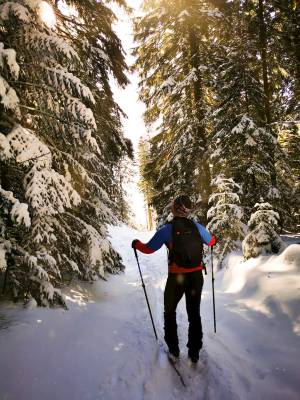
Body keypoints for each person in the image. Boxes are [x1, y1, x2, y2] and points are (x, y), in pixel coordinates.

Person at [131, 194, 216, 363]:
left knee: (169, 312)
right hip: (196, 277)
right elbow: (212, 242)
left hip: (176, 277)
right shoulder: (197, 227)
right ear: (187, 210)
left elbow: (148, 249)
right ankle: (194, 352)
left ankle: (174, 350)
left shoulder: (166, 230)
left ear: (174, 208)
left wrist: (136, 244)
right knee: (194, 313)